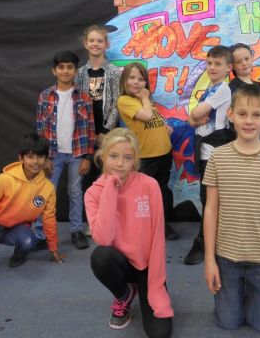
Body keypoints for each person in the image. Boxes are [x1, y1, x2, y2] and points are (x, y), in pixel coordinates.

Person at [203, 84, 260, 332]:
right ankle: (235, 297)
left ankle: (249, 296)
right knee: (228, 323)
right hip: (226, 257)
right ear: (231, 114)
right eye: (242, 114)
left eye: (256, 115)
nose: (249, 121)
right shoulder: (217, 157)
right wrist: (210, 260)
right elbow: (211, 210)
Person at [85, 128, 173, 337]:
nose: (119, 164)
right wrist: (110, 189)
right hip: (120, 263)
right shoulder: (93, 193)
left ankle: (144, 289)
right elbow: (103, 238)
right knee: (100, 256)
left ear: (134, 160)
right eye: (113, 156)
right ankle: (124, 294)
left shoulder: (149, 185)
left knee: (160, 333)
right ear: (102, 157)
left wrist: (155, 283)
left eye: (127, 157)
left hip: (147, 266)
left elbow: (158, 237)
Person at [36, 50, 95, 249]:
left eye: (70, 67)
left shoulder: (84, 97)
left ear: (75, 71)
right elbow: (40, 128)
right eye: (61, 67)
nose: (65, 71)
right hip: (52, 155)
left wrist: (87, 156)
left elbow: (90, 128)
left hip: (77, 153)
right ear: (54, 70)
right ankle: (40, 232)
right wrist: (43, 157)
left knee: (75, 192)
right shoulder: (45, 96)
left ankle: (76, 230)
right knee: (45, 192)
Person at [117, 62, 178, 240]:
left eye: (141, 79)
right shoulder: (125, 100)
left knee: (162, 191)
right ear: (124, 80)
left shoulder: (146, 102)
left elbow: (154, 119)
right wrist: (145, 96)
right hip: (146, 157)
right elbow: (147, 116)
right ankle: (141, 227)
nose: (136, 82)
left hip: (164, 153)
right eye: (132, 78)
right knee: (143, 195)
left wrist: (164, 127)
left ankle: (162, 224)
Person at [184, 45, 233, 265]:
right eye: (209, 63)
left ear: (228, 68)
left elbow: (196, 113)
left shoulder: (223, 89)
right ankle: (211, 239)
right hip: (204, 149)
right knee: (207, 197)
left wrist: (196, 117)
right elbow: (192, 119)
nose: (212, 67)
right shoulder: (211, 88)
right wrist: (196, 118)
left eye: (218, 64)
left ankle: (204, 242)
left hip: (214, 150)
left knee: (209, 198)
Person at [75, 25, 122, 214]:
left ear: (106, 44)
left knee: (110, 177)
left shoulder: (114, 72)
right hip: (86, 133)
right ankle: (92, 220)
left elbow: (118, 103)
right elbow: (77, 105)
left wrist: (105, 132)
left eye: (99, 41)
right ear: (85, 44)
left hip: (108, 133)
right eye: (92, 40)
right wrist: (90, 133)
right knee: (88, 179)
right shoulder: (79, 73)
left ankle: (111, 218)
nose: (95, 44)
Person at [0, 134, 62, 267]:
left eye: (40, 156)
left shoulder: (48, 188)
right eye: (30, 156)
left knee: (29, 241)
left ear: (46, 159)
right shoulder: (4, 180)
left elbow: (49, 219)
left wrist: (53, 248)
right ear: (21, 158)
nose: (36, 161)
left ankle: (19, 253)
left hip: (16, 228)